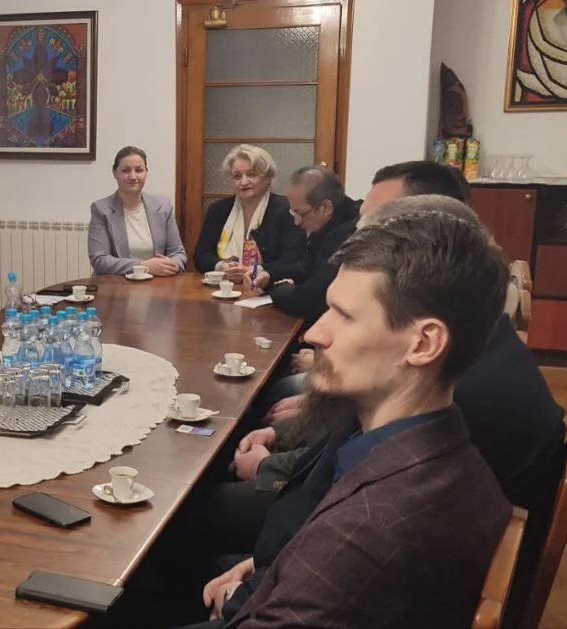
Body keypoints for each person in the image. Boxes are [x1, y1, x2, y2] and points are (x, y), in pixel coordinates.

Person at [214, 199, 513, 628]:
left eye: (345, 316)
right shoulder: (443, 450)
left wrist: (262, 587)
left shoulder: (365, 533)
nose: (316, 332)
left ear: (424, 344)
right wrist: (269, 572)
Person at [248, 166, 357, 325]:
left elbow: (311, 299)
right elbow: (306, 266)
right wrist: (270, 275)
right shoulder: (327, 222)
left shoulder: (349, 233)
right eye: (293, 213)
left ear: (325, 207)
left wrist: (278, 290)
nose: (296, 222)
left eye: (300, 213)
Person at [193, 144, 305, 280]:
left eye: (251, 174)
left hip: (267, 287)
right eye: (237, 176)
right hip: (223, 286)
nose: (244, 181)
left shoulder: (286, 208)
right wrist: (221, 266)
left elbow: (292, 260)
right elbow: (200, 256)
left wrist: (256, 270)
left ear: (267, 178)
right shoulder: (218, 209)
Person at [87, 146, 188, 276]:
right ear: (115, 173)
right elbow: (99, 260)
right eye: (125, 170)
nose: (133, 176)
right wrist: (143, 266)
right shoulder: (101, 209)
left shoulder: (163, 206)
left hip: (158, 284)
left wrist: (173, 264)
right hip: (115, 286)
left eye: (139, 170)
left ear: (146, 172)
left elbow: (178, 252)